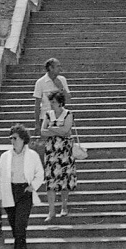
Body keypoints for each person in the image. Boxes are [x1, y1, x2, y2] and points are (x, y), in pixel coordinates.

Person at [0, 124, 44, 249]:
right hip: (9, 191)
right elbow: (0, 177)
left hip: (24, 192)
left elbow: (40, 173)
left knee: (20, 225)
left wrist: (32, 187)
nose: (12, 141)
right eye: (11, 138)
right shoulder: (5, 156)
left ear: (23, 139)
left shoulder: (32, 155)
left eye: (15, 138)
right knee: (14, 227)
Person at [41, 91, 77, 220]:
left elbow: (66, 130)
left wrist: (51, 129)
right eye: (51, 102)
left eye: (54, 102)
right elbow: (42, 131)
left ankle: (64, 206)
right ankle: (51, 211)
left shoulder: (68, 114)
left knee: (65, 178)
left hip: (65, 151)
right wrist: (57, 131)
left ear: (60, 102)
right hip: (51, 151)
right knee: (51, 180)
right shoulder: (48, 114)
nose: (52, 104)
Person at [33, 58, 71, 138]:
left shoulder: (62, 80)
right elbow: (37, 105)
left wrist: (61, 87)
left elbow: (68, 100)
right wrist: (37, 124)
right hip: (46, 119)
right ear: (50, 68)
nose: (60, 69)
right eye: (58, 66)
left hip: (61, 117)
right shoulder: (40, 82)